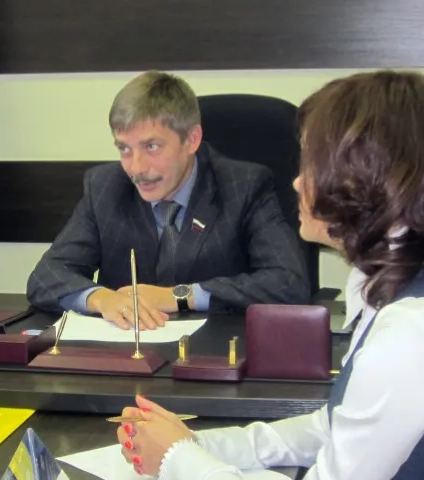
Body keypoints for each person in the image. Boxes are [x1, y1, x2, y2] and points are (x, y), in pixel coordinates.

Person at [117, 70, 424, 480]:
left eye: (311, 164)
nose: (295, 180)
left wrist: (178, 463)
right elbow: (337, 426)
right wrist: (202, 445)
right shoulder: (405, 281)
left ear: (363, 183)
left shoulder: (412, 332)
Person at [26, 71, 308, 330]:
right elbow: (45, 276)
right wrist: (100, 298)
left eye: (152, 146)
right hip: (128, 356)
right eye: (124, 148)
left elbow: (288, 282)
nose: (137, 168)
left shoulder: (243, 186)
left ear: (192, 139)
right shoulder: (106, 187)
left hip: (216, 352)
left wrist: (179, 297)